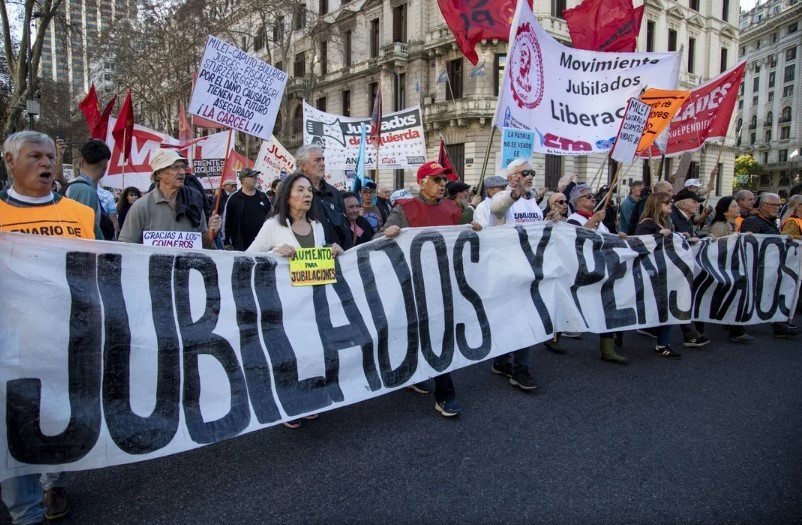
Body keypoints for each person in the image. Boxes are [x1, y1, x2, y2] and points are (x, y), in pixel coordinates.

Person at [0, 131, 103, 525]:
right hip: (12, 344)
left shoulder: (80, 215)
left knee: (56, 416)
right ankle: (24, 512)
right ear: (10, 162)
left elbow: (100, 269)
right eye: (35, 157)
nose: (46, 164)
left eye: (50, 156)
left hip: (65, 340)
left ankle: (54, 483)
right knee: (15, 430)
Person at [379, 161, 482, 416]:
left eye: (444, 180)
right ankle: (413, 373)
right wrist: (387, 233)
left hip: (443, 284)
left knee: (440, 334)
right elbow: (377, 241)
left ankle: (445, 395)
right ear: (421, 182)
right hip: (412, 285)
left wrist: (475, 229)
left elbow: (464, 237)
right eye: (437, 180)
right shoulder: (404, 209)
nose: (442, 184)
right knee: (415, 332)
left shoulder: (452, 208)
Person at [247, 172, 343, 428]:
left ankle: (308, 398)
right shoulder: (273, 226)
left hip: (313, 302)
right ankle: (289, 405)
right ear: (287, 195)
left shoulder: (318, 226)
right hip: (284, 305)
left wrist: (332, 250)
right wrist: (274, 253)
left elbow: (319, 259)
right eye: (300, 190)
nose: (307, 195)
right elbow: (247, 258)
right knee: (289, 356)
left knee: (312, 351)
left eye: (309, 190)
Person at [566, 184, 629, 364]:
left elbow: (605, 238)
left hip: (604, 267)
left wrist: (618, 236)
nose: (593, 198)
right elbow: (577, 238)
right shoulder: (574, 219)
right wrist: (593, 220)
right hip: (585, 270)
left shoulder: (598, 220)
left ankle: (608, 348)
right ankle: (555, 335)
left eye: (593, 196)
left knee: (608, 304)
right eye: (588, 196)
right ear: (578, 201)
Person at [118, 149, 221, 248]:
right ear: (159, 173)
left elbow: (202, 245)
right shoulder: (141, 207)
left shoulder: (194, 201)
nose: (182, 172)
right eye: (175, 167)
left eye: (183, 167)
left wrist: (211, 233)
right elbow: (126, 249)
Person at [740, 193, 800, 338]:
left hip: (771, 266)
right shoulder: (752, 222)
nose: (778, 208)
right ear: (764, 206)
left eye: (779, 205)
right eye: (774, 205)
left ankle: (779, 324)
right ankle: (736, 327)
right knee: (752, 296)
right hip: (758, 267)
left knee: (773, 295)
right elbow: (750, 244)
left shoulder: (771, 221)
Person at [633, 192, 682, 358]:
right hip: (652, 273)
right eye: (667, 202)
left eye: (671, 202)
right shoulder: (646, 224)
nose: (670, 205)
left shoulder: (665, 222)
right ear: (656, 204)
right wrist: (656, 237)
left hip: (666, 271)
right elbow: (638, 246)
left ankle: (663, 344)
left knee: (668, 307)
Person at [708, 196, 756, 343]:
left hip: (730, 267)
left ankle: (733, 326)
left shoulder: (731, 224)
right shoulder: (719, 226)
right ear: (725, 211)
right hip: (725, 269)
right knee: (735, 296)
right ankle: (736, 331)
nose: (738, 208)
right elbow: (717, 249)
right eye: (734, 206)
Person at [294, 144, 352, 250]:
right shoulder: (292, 193)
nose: (323, 164)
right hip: (305, 261)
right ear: (304, 166)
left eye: (323, 159)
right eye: (317, 160)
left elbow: (345, 228)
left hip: (336, 259)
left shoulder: (334, 194)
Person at [62, 139, 113, 240]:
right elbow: (84, 232)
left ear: (82, 161)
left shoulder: (72, 185)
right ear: (105, 166)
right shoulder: (86, 191)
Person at [222, 168, 271, 251]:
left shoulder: (263, 197)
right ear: (244, 180)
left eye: (256, 176)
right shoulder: (233, 198)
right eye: (253, 176)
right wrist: (226, 241)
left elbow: (271, 217)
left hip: (263, 245)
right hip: (240, 246)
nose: (256, 178)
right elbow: (226, 221)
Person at [491, 159, 544, 226]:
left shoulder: (532, 198)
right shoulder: (501, 196)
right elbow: (497, 209)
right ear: (510, 178)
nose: (530, 177)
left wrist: (548, 220)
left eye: (532, 173)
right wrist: (513, 196)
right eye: (525, 173)